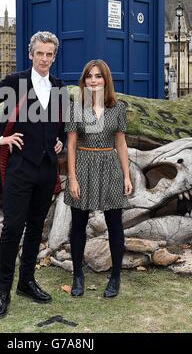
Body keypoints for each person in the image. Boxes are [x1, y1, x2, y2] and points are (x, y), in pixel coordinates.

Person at [0, 31, 66, 318]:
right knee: (13, 229)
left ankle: (26, 282)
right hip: (19, 169)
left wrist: (59, 139)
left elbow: (59, 125)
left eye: (50, 54)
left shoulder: (59, 87)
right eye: (40, 53)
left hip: (46, 170)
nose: (45, 59)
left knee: (37, 228)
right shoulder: (15, 83)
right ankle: (3, 291)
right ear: (31, 54)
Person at [64, 59, 133, 299]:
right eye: (89, 77)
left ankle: (115, 277)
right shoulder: (75, 108)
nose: (93, 80)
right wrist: (72, 178)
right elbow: (71, 145)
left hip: (109, 165)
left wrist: (126, 175)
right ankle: (77, 276)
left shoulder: (118, 108)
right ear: (84, 81)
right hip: (83, 165)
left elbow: (121, 143)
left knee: (115, 225)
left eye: (98, 76)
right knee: (79, 225)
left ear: (106, 80)